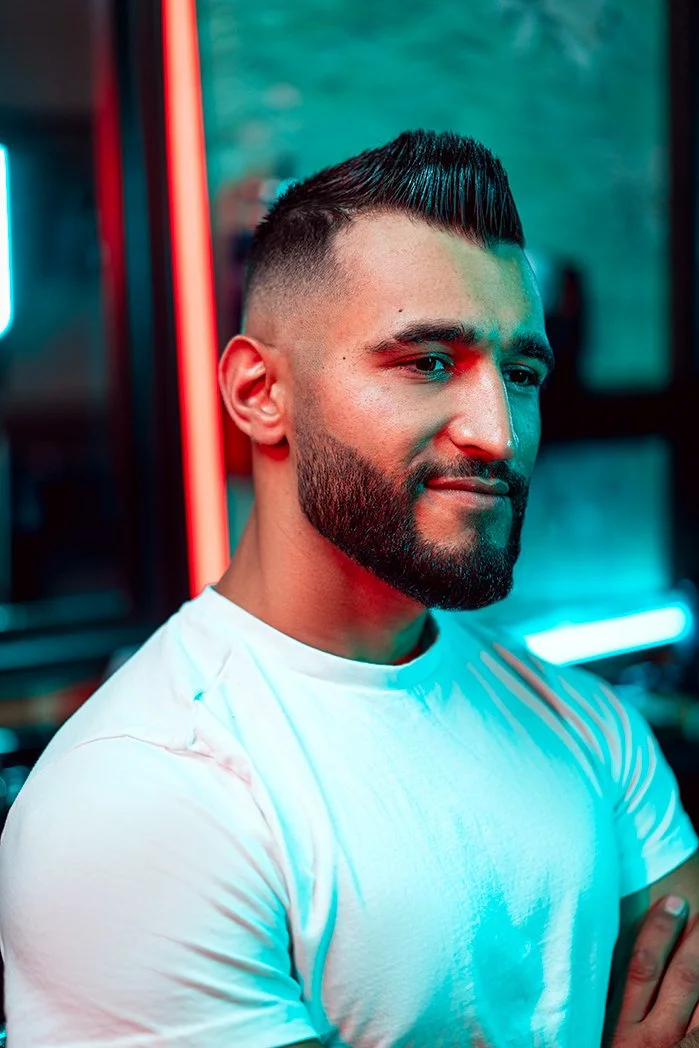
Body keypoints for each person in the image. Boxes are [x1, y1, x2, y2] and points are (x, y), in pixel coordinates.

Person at [0, 129, 697, 1047]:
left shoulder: (583, 723)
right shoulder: (140, 797)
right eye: (428, 363)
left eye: (520, 373)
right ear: (259, 393)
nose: (498, 431)